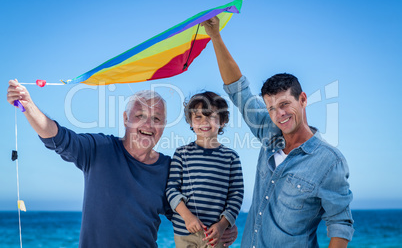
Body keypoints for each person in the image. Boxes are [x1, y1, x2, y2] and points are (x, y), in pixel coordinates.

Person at [7, 80, 238, 247]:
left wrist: (227, 227)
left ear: (163, 126)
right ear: (125, 119)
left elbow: (192, 211)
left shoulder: (170, 167)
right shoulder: (99, 149)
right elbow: (57, 137)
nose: (148, 123)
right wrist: (27, 105)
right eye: (140, 116)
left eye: (156, 118)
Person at [201, 17, 354, 248]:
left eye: (284, 104)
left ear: (302, 99)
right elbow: (238, 90)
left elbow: (340, 225)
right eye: (271, 108)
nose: (279, 114)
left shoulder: (329, 162)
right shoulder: (268, 133)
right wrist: (215, 36)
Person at [166, 91, 244, 247]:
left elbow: (236, 194)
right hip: (184, 232)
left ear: (222, 121)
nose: (204, 122)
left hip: (216, 235)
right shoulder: (182, 153)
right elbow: (171, 189)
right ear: (190, 122)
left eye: (211, 116)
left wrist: (222, 225)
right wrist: (187, 217)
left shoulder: (231, 157)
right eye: (198, 117)